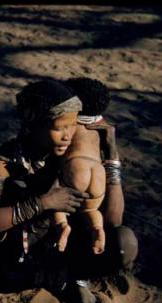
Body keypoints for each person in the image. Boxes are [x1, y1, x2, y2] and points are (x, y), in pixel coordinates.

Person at [0, 79, 89, 295]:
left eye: (73, 125)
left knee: (124, 242)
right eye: (59, 128)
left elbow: (112, 218)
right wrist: (42, 203)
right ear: (34, 125)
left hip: (60, 245)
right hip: (19, 249)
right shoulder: (6, 163)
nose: (68, 135)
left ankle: (76, 279)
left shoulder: (75, 154)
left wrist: (112, 158)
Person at [61, 77, 138, 303]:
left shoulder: (101, 133)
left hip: (86, 224)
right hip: (50, 219)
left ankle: (79, 275)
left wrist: (112, 153)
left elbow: (114, 218)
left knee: (123, 241)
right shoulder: (60, 130)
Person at [53, 78, 109, 254]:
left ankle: (63, 226)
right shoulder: (101, 124)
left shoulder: (71, 122)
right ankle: (97, 229)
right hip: (98, 173)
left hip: (76, 167)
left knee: (56, 203)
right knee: (91, 209)